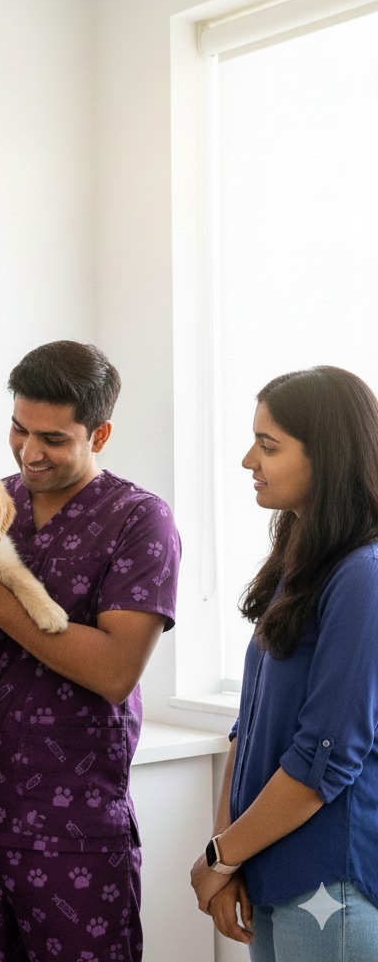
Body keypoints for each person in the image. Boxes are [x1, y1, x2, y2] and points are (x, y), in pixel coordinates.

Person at [0, 340, 181, 962]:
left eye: (53, 438)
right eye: (19, 429)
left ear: (99, 432)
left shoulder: (138, 520)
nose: (30, 452)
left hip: (73, 830)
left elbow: (114, 672)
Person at [190, 366, 378, 960]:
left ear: (328, 457)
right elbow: (249, 725)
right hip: (270, 865)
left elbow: (325, 754)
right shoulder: (302, 564)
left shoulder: (364, 576)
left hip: (332, 880)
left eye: (268, 446)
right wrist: (227, 851)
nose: (249, 460)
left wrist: (222, 856)